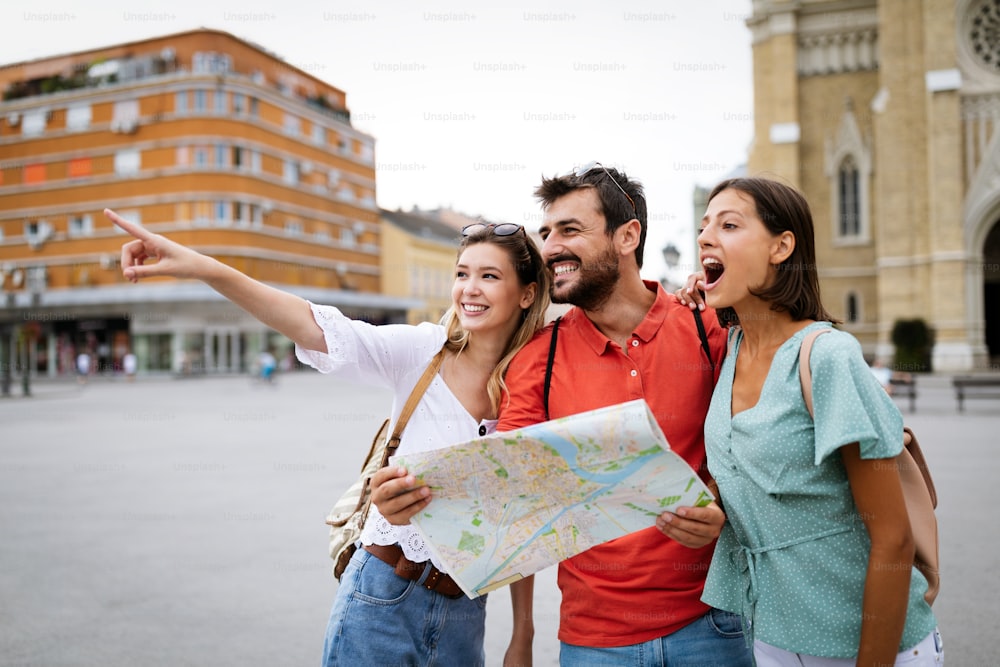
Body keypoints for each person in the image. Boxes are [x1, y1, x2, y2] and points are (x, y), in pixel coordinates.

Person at [103, 208, 549, 667]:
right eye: (462, 274)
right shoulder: (422, 350)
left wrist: (523, 635)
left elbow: (522, 522)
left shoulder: (534, 391)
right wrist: (204, 267)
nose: (469, 289)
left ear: (525, 293)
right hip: (380, 602)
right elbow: (311, 325)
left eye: (489, 276)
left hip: (465, 616)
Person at [375, 163, 752, 666]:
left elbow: (759, 442)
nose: (550, 248)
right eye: (547, 232)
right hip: (592, 642)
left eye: (570, 230)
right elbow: (508, 487)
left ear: (627, 236)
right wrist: (414, 498)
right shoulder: (539, 357)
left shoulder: (710, 328)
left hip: (714, 624)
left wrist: (720, 503)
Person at [689, 177, 941, 666]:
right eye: (703, 227)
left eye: (729, 224)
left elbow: (893, 537)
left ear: (782, 247)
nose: (704, 237)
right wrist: (713, 507)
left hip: (869, 647)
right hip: (770, 641)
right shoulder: (731, 348)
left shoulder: (828, 357)